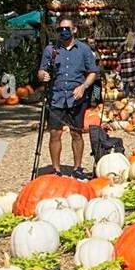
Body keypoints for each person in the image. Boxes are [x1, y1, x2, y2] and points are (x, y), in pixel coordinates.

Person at [36, 18, 101, 178]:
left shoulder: (84, 50)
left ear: (74, 30)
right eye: (60, 29)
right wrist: (42, 75)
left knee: (76, 134)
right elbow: (41, 71)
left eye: (67, 28)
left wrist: (83, 86)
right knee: (55, 134)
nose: (63, 32)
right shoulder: (51, 50)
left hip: (77, 98)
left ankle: (77, 168)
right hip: (56, 97)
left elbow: (93, 72)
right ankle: (56, 169)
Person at [116, 29, 135, 94]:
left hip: (125, 75)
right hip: (134, 74)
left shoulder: (122, 46)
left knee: (126, 93)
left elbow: (118, 56)